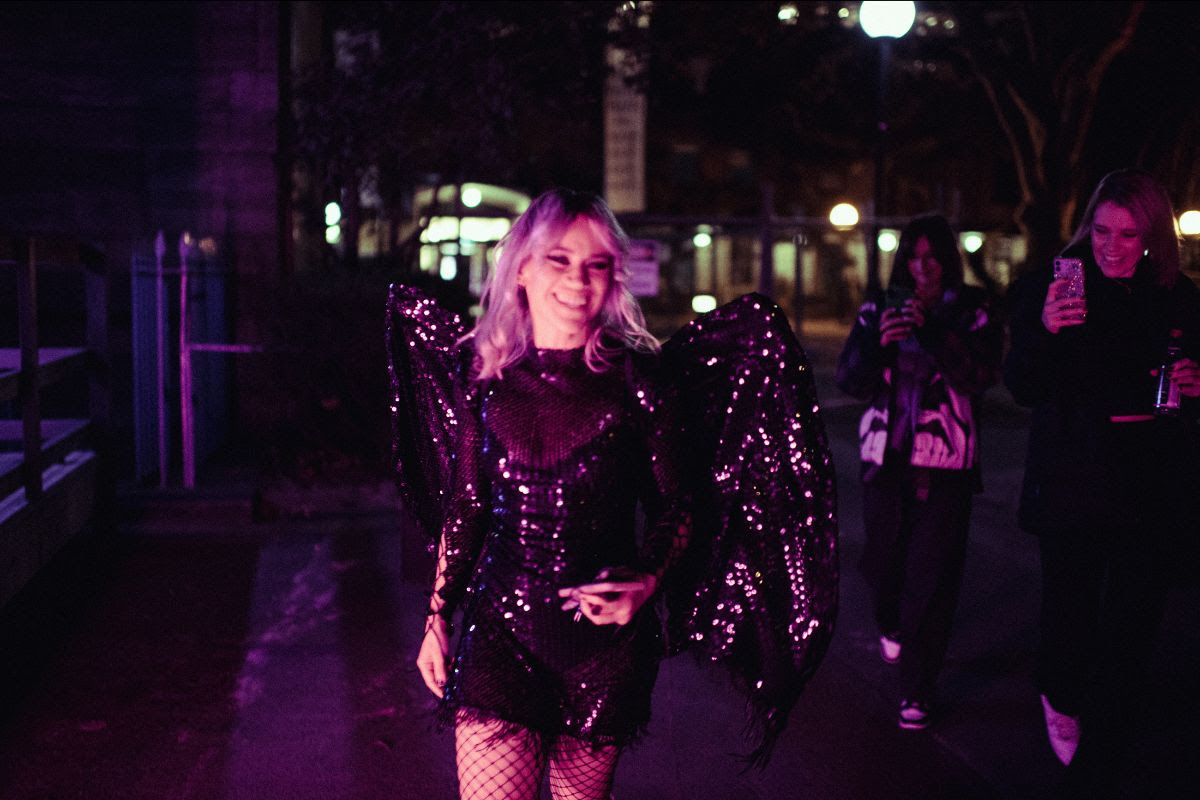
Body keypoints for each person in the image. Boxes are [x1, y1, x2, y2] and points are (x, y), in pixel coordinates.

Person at [387, 189, 838, 799]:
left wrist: (647, 582)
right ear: (521, 269)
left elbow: (678, 506)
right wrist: (436, 618)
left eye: (596, 264)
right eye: (559, 260)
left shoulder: (638, 383)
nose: (579, 280)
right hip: (498, 637)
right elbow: (466, 509)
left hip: (601, 653)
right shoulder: (486, 381)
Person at [1004, 169, 1200, 794]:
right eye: (1102, 231)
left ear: (1154, 238)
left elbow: (1188, 388)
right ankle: (1062, 696)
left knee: (1135, 617)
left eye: (1129, 234)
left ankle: (1112, 728)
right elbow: (1024, 386)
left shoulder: (1177, 296)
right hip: (1075, 476)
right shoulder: (1054, 286)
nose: (1112, 246)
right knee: (1071, 608)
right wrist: (1046, 331)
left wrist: (1195, 385)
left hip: (1151, 482)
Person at [836, 214, 1003, 730]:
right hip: (885, 461)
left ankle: (917, 688)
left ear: (948, 261)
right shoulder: (879, 307)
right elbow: (850, 380)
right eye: (913, 256)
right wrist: (878, 344)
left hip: (946, 464)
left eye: (932, 257)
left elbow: (979, 376)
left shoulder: (973, 310)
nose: (922, 267)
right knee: (882, 566)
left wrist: (932, 333)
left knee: (931, 580)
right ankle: (891, 623)